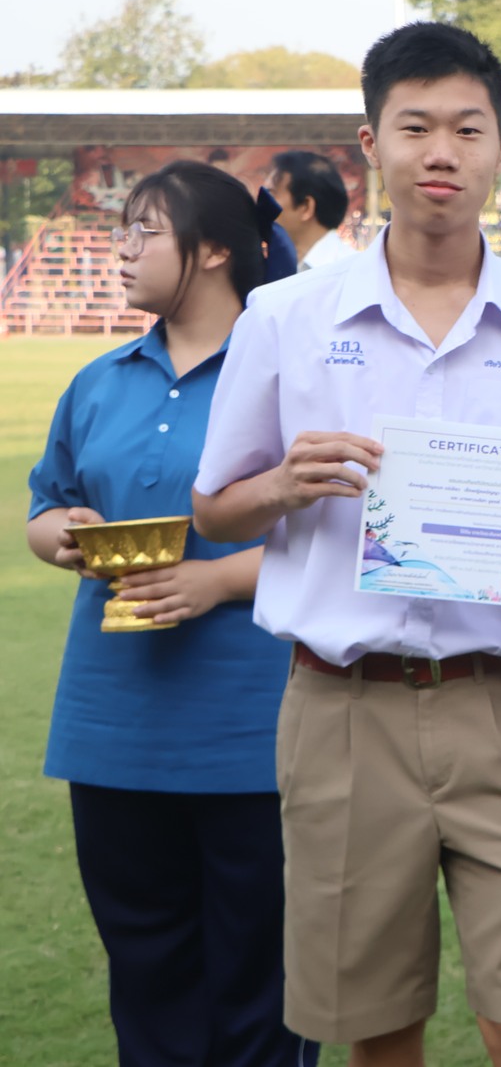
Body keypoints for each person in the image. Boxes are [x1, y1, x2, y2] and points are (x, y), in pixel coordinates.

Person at [191, 22, 501, 1067]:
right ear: (371, 144)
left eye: (468, 130)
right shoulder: (284, 317)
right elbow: (214, 511)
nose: (442, 152)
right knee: (377, 1027)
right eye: (416, 126)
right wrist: (282, 483)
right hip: (343, 710)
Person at [25, 160, 313, 1065]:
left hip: (253, 733)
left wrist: (216, 583)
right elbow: (46, 506)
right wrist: (63, 533)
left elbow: (353, 544)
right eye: (122, 230)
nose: (121, 249)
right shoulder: (100, 380)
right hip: (112, 728)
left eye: (142, 231)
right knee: (147, 973)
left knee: (260, 983)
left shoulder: (292, 379)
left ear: (216, 249)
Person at [267, 150, 354, 270]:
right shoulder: (277, 268)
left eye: (272, 195)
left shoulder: (353, 269)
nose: (263, 205)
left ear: (306, 207)